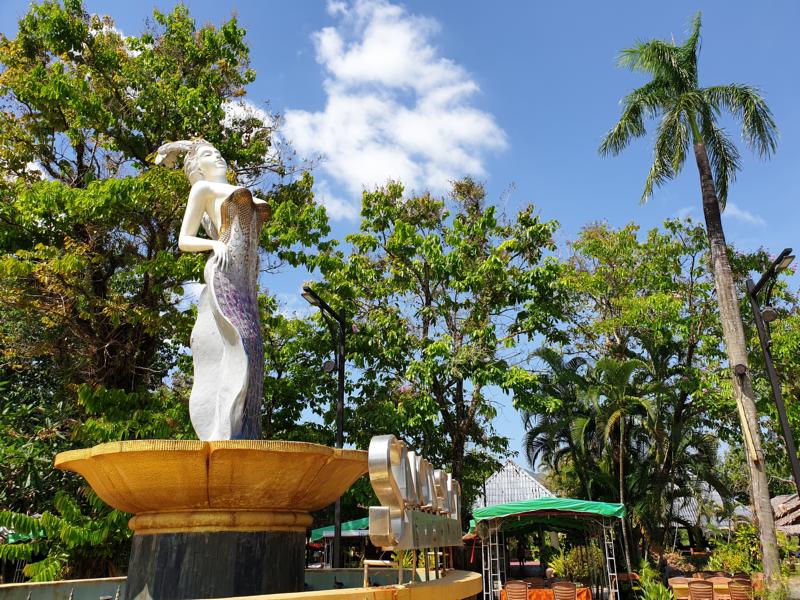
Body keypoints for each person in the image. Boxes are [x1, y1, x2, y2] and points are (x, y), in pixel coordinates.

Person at [155, 139, 271, 440]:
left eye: (218, 152)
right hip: (224, 269)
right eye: (208, 154)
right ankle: (224, 431)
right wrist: (213, 243)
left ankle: (245, 430)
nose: (217, 157)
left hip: (246, 277)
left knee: (254, 348)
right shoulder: (203, 189)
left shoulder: (237, 189)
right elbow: (184, 240)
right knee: (241, 341)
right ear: (197, 166)